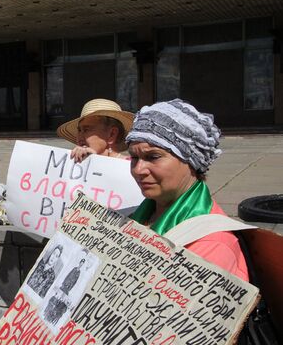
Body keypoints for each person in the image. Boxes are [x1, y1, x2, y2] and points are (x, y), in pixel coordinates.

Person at [126, 99, 248, 281]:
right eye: (134, 157)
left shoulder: (211, 244)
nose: (138, 169)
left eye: (153, 157)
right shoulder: (138, 216)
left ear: (191, 161)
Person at [57, 98, 134, 163]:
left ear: (112, 134)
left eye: (86, 130)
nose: (79, 136)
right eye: (79, 130)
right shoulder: (75, 163)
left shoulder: (131, 168)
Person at [43, 258, 85, 325]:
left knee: (61, 300)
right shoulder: (74, 269)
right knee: (57, 296)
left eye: (82, 264)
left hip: (68, 288)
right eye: (81, 263)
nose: (81, 264)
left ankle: (52, 317)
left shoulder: (79, 273)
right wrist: (63, 283)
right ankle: (47, 313)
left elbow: (75, 282)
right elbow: (68, 275)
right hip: (64, 284)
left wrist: (70, 288)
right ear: (79, 263)